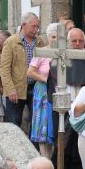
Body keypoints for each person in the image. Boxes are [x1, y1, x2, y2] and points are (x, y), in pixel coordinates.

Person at [47, 27, 85, 169]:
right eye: (74, 41)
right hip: (63, 112)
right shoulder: (58, 61)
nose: (77, 44)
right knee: (64, 149)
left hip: (84, 113)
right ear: (67, 42)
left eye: (80, 41)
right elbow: (52, 90)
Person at [0, 12, 43, 128]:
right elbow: (4, 69)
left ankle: (33, 147)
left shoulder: (39, 41)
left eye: (37, 26)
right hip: (16, 90)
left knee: (36, 123)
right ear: (23, 25)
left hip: (35, 88)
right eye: (33, 26)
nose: (36, 29)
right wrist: (10, 89)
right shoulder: (10, 42)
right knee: (14, 124)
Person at [27, 22, 58, 157]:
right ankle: (44, 157)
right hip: (43, 91)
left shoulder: (63, 52)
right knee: (42, 125)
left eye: (58, 37)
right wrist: (46, 80)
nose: (55, 40)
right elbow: (30, 72)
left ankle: (51, 158)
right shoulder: (42, 52)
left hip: (57, 91)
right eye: (52, 37)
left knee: (53, 123)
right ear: (48, 37)